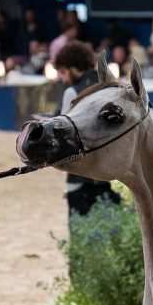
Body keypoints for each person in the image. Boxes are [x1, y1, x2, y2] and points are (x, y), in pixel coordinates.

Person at [53, 41, 120, 217]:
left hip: (81, 178)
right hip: (110, 175)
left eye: (63, 72)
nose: (62, 78)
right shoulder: (108, 85)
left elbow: (62, 133)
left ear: (73, 68)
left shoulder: (72, 92)